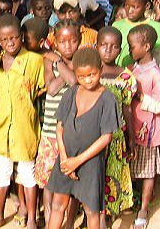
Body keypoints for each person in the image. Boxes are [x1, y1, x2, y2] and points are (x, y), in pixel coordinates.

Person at [0, 14, 45, 229]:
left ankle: (32, 219)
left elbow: (42, 88)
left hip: (25, 131)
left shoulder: (34, 62)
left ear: (21, 36)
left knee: (28, 176)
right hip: (0, 131)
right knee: (2, 174)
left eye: (14, 38)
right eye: (4, 40)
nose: (9, 43)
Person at [46, 48, 120, 229]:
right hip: (66, 159)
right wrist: (64, 158)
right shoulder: (71, 93)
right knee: (57, 205)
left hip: (90, 162)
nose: (88, 80)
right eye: (81, 76)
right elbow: (60, 126)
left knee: (91, 210)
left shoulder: (107, 98)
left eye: (92, 74)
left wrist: (77, 161)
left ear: (101, 69)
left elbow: (106, 137)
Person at [35, 20, 81, 227]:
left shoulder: (82, 60)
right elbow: (52, 89)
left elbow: (73, 81)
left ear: (80, 40)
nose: (68, 46)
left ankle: (69, 221)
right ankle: (48, 220)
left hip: (73, 132)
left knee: (71, 179)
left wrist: (63, 65)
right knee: (47, 180)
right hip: (51, 131)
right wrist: (66, 67)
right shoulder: (48, 60)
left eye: (73, 41)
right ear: (55, 41)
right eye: (62, 41)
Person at [127, 24, 160, 229]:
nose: (129, 51)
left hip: (149, 132)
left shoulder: (155, 74)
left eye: (132, 47)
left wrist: (140, 97)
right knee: (135, 168)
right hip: (133, 128)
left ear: (146, 46)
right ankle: (134, 200)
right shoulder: (134, 69)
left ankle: (143, 208)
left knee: (148, 171)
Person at [96, 27, 136, 226]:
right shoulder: (91, 73)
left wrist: (131, 138)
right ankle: (98, 214)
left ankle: (107, 213)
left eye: (113, 47)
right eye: (103, 45)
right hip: (94, 136)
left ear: (120, 50)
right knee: (97, 175)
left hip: (116, 136)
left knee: (112, 176)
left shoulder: (125, 77)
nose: (108, 50)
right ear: (96, 46)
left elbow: (127, 108)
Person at [112, 0, 160, 67]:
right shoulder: (117, 26)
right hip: (120, 74)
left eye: (134, 7)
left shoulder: (159, 28)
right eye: (126, 5)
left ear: (147, 6)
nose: (129, 10)